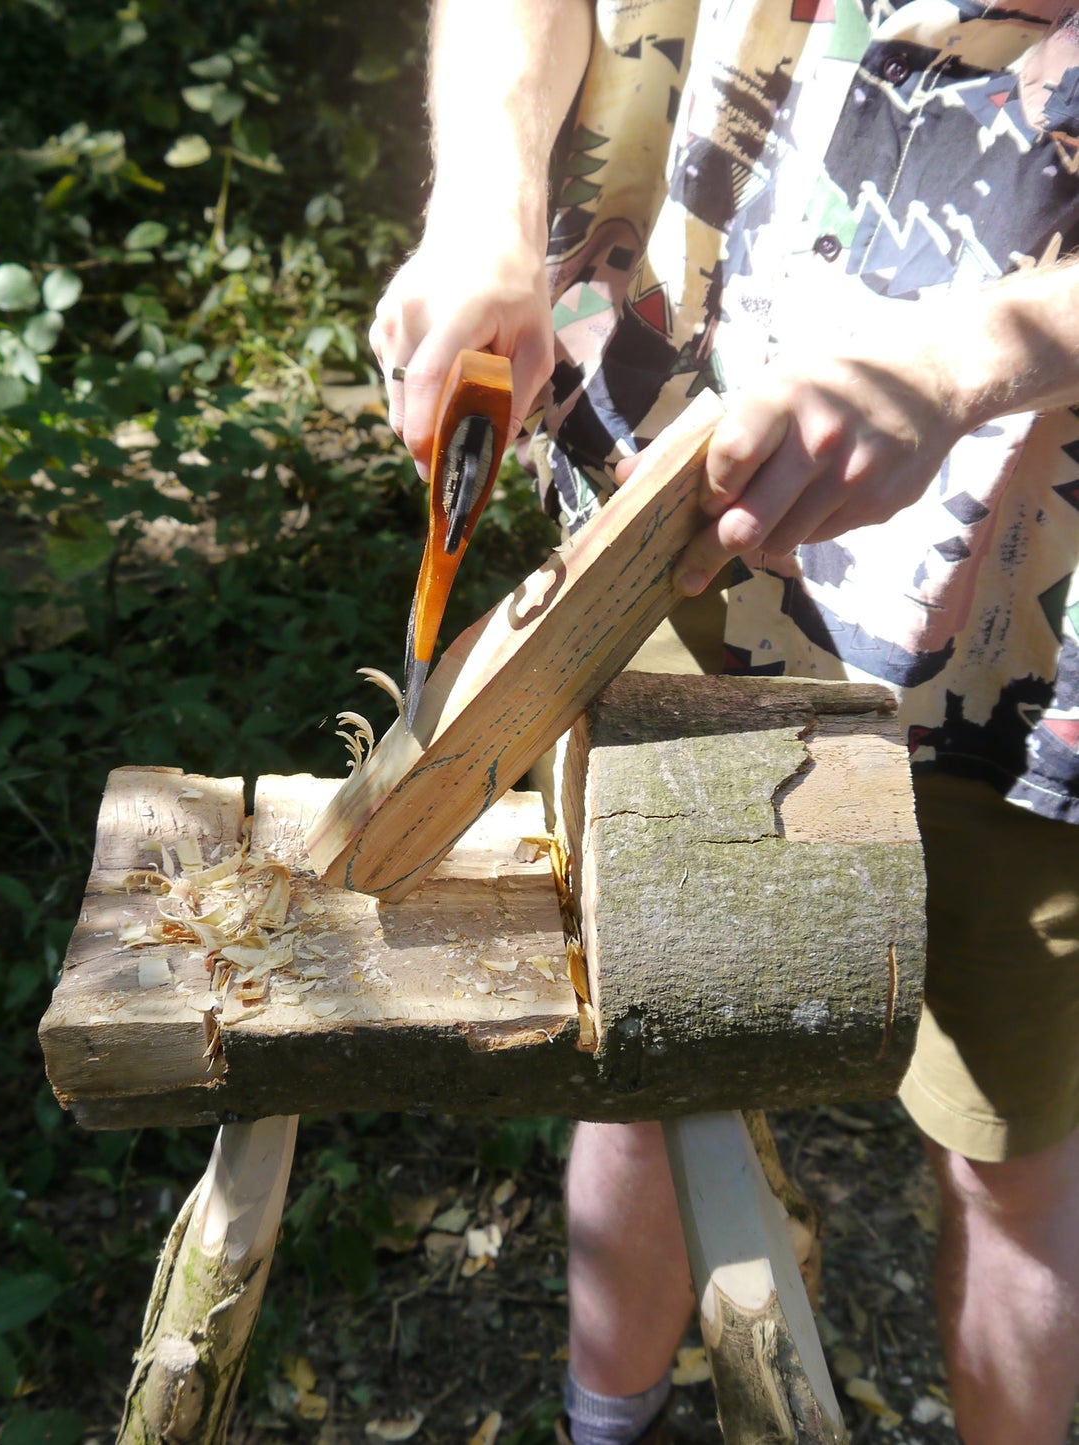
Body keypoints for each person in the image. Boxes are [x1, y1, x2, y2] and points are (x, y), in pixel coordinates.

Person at [369, 2, 1079, 1441]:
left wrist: (959, 358)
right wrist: (485, 210)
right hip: (679, 507)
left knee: (1014, 1156)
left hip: (1030, 613)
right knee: (650, 1045)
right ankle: (603, 1425)